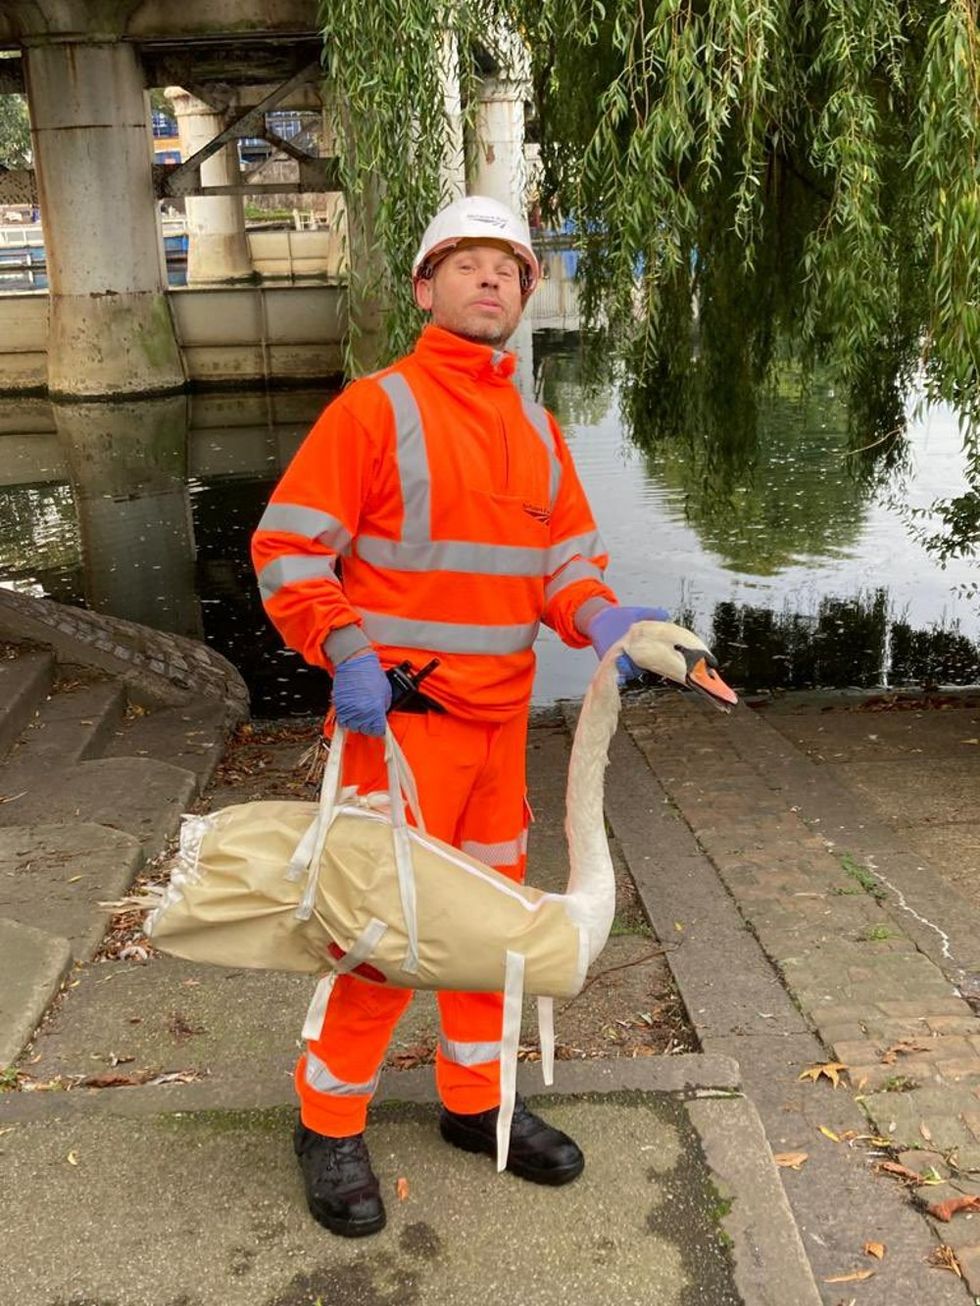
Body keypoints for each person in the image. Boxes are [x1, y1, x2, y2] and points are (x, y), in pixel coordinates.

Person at [251, 194, 667, 1238]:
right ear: (425, 288)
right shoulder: (373, 410)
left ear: (526, 295)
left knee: (488, 936)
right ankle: (326, 1119)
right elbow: (290, 551)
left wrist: (605, 617)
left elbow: (563, 564)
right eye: (466, 263)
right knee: (379, 935)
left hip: (494, 737)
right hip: (394, 731)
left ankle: (475, 1103)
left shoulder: (533, 429)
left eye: (509, 269)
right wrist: (344, 650)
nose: (490, 280)